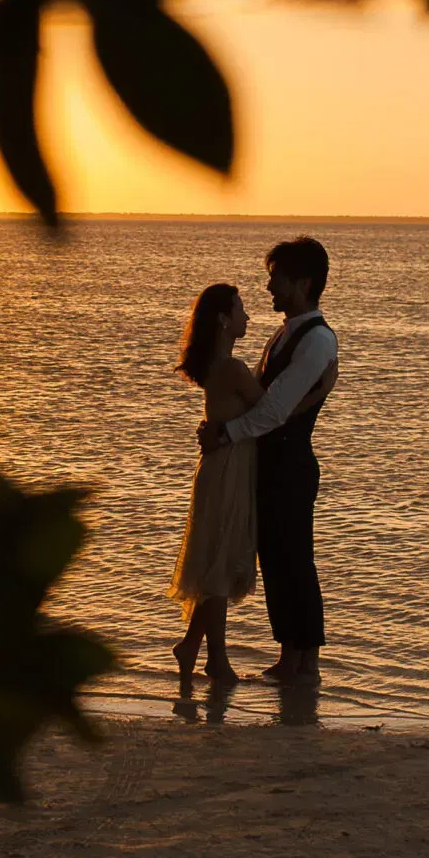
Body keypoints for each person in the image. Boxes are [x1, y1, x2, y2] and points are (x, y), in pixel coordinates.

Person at [201, 237, 337, 684]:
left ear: (303, 283)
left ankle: (307, 662)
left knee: (295, 559)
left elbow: (276, 409)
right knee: (276, 560)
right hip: (268, 462)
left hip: (291, 465)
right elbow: (262, 398)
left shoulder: (317, 339)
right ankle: (288, 656)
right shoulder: (283, 334)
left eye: (276, 278)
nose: (269, 287)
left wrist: (227, 434)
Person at [169, 282, 257, 685]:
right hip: (227, 471)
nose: (247, 315)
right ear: (224, 319)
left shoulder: (220, 366)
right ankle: (216, 661)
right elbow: (272, 408)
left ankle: (192, 647)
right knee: (219, 566)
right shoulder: (232, 369)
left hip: (223, 467)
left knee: (215, 564)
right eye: (240, 308)